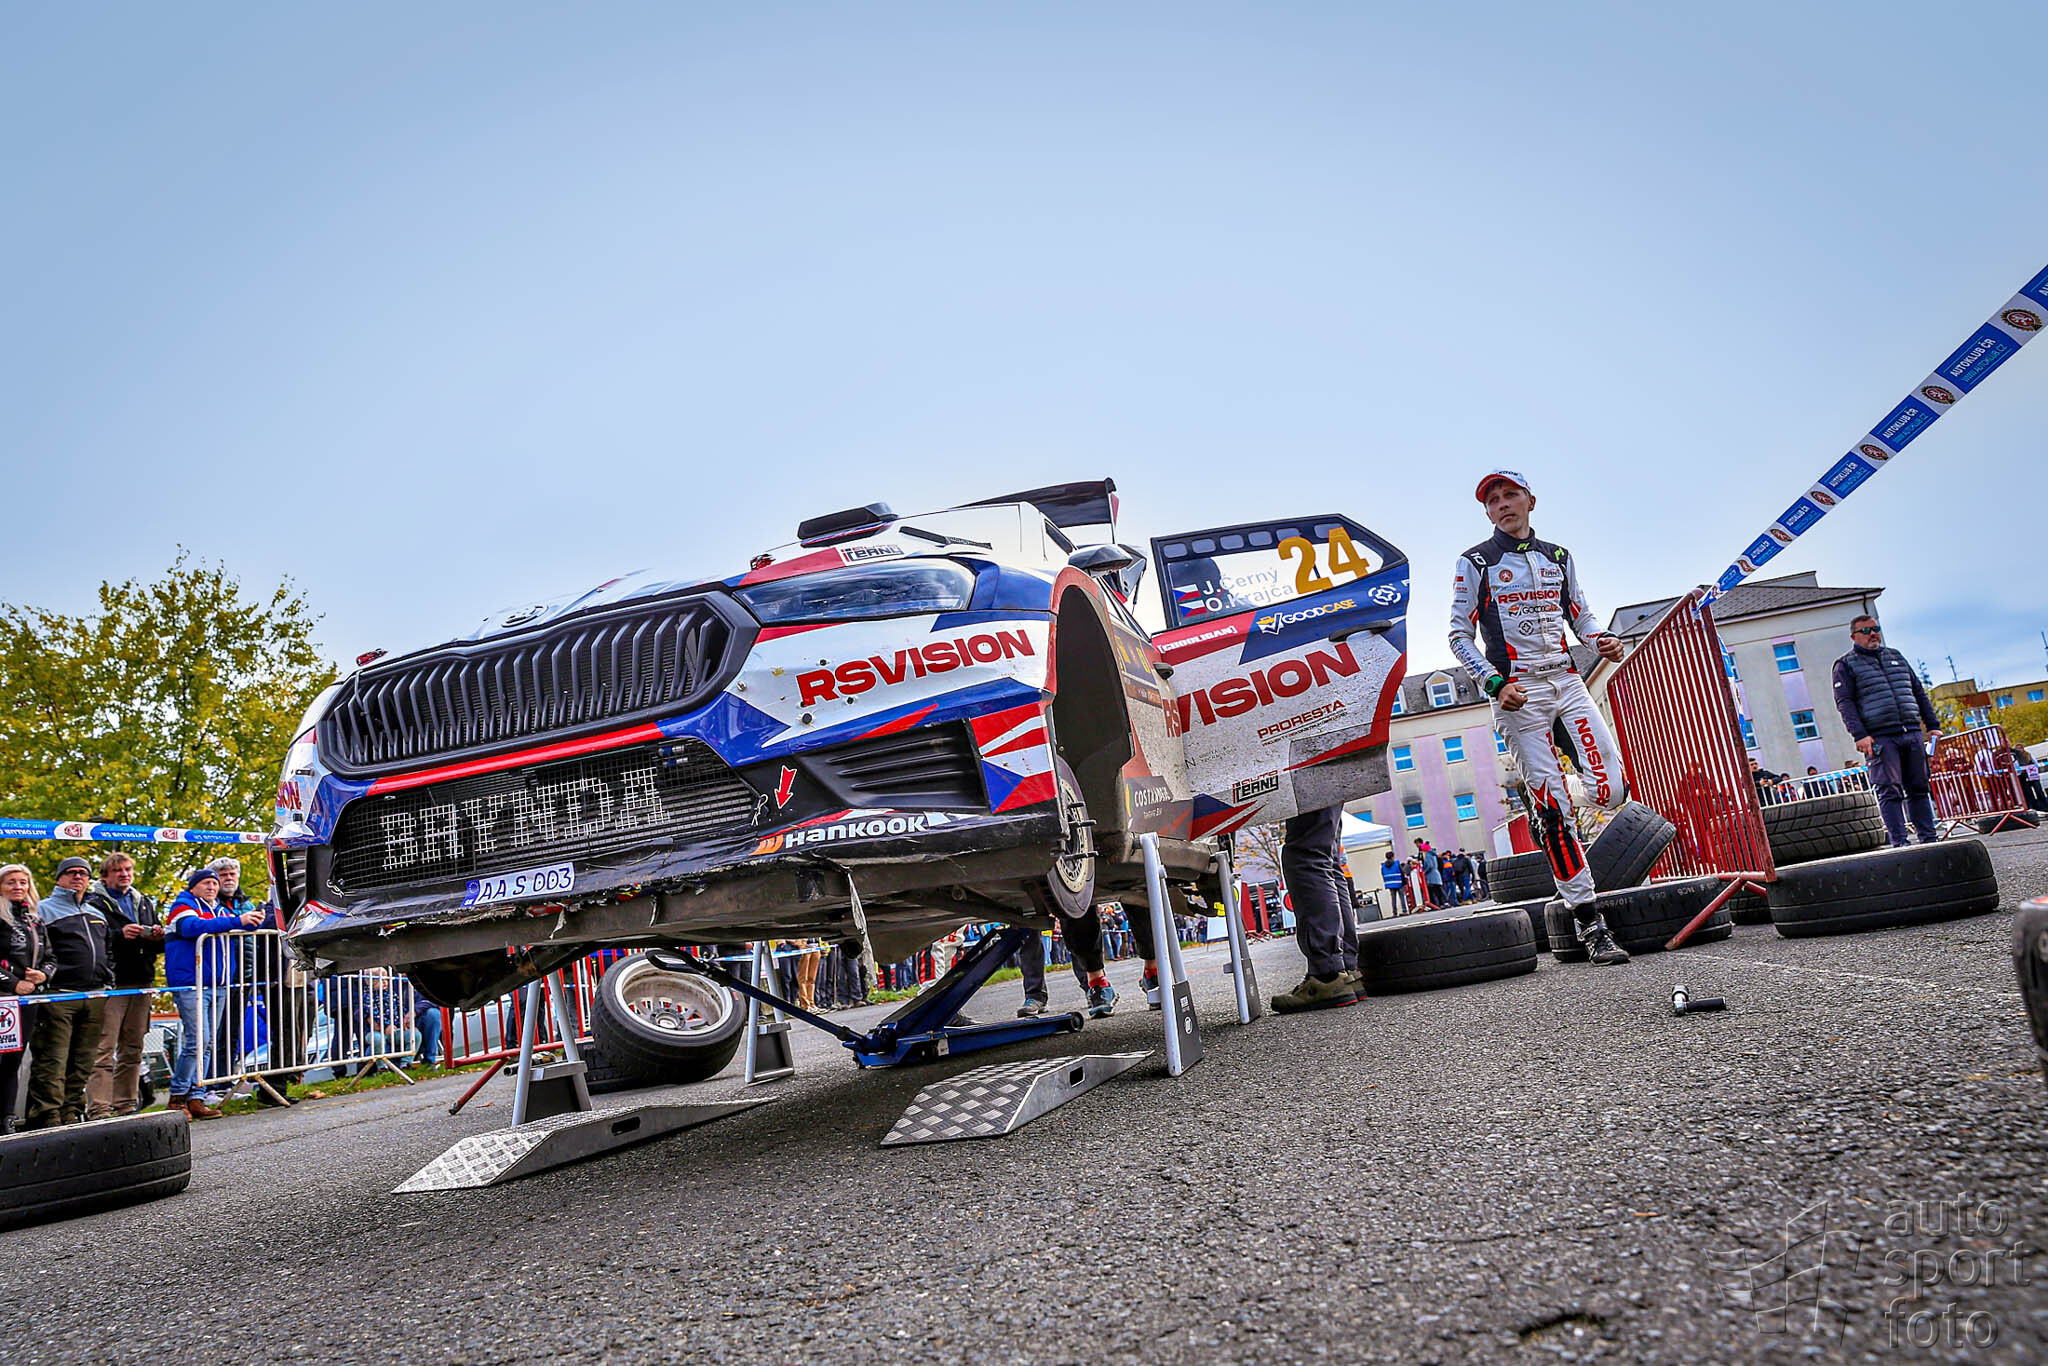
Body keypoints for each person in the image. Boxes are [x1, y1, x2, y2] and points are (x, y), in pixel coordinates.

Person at [1449, 469, 1632, 965]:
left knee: (1613, 790)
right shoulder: (1475, 561)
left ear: (1531, 501)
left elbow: (1580, 614)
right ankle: (1589, 921)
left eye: (1510, 495)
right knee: (1556, 813)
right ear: (1487, 512)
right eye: (1493, 500)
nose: (1503, 505)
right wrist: (1494, 683)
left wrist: (1600, 640)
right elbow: (1458, 636)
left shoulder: (1559, 556)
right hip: (1517, 691)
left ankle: (1549, 797)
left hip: (1567, 682)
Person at [1831, 616, 1941, 847]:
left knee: (1919, 788)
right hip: (1880, 737)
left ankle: (1929, 839)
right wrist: (1859, 735)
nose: (1872, 634)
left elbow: (1918, 692)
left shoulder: (1896, 657)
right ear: (1854, 636)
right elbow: (1845, 703)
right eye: (1865, 631)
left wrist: (1933, 726)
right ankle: (1900, 842)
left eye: (1875, 629)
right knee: (1889, 790)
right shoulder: (1845, 665)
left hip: (1910, 731)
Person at [164, 866, 261, 1119]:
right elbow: (190, 927)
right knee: (197, 1040)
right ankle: (177, 1097)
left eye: (214, 884)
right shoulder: (183, 905)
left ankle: (196, 1096)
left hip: (218, 984)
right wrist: (238, 921)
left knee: (208, 1043)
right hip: (191, 983)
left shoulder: (219, 910)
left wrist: (256, 919)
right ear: (193, 886)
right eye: (206, 883)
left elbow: (240, 926)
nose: (212, 887)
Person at [25, 857, 113, 1128]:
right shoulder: (42, 909)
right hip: (58, 994)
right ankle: (47, 1115)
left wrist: (109, 980)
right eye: (72, 872)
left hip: (95, 995)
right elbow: (35, 950)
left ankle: (72, 1111)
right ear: (59, 878)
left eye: (83, 873)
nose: (78, 877)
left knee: (83, 1060)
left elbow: (108, 951)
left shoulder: (97, 913)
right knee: (53, 1059)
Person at [84, 852, 165, 1119]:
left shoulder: (143, 901)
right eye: (118, 870)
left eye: (128, 869)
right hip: (112, 982)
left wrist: (157, 936)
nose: (124, 874)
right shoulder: (93, 902)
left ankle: (126, 1104)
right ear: (105, 876)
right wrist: (120, 935)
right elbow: (93, 939)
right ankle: (99, 1107)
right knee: (104, 1048)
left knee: (133, 1047)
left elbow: (160, 945)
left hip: (142, 980)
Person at [1270, 805, 1363, 1013]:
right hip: (1332, 784)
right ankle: (1346, 970)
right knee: (1327, 860)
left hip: (1310, 783)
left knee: (1305, 855)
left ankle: (1327, 975)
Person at [0, 865, 52, 1134]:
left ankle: (6, 1119)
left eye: (22, 882)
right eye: (11, 882)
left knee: (13, 1062)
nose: (18, 887)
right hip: (4, 996)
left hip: (25, 1002)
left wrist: (42, 975)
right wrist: (13, 983)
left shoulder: (35, 920)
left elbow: (51, 958)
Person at [1378, 850, 1407, 915]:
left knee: (1393, 898)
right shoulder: (1396, 863)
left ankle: (1394, 912)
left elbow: (1382, 874)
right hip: (1399, 883)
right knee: (1401, 897)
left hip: (1390, 884)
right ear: (1392, 857)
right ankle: (1404, 910)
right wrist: (1405, 883)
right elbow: (1402, 873)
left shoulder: (1383, 866)